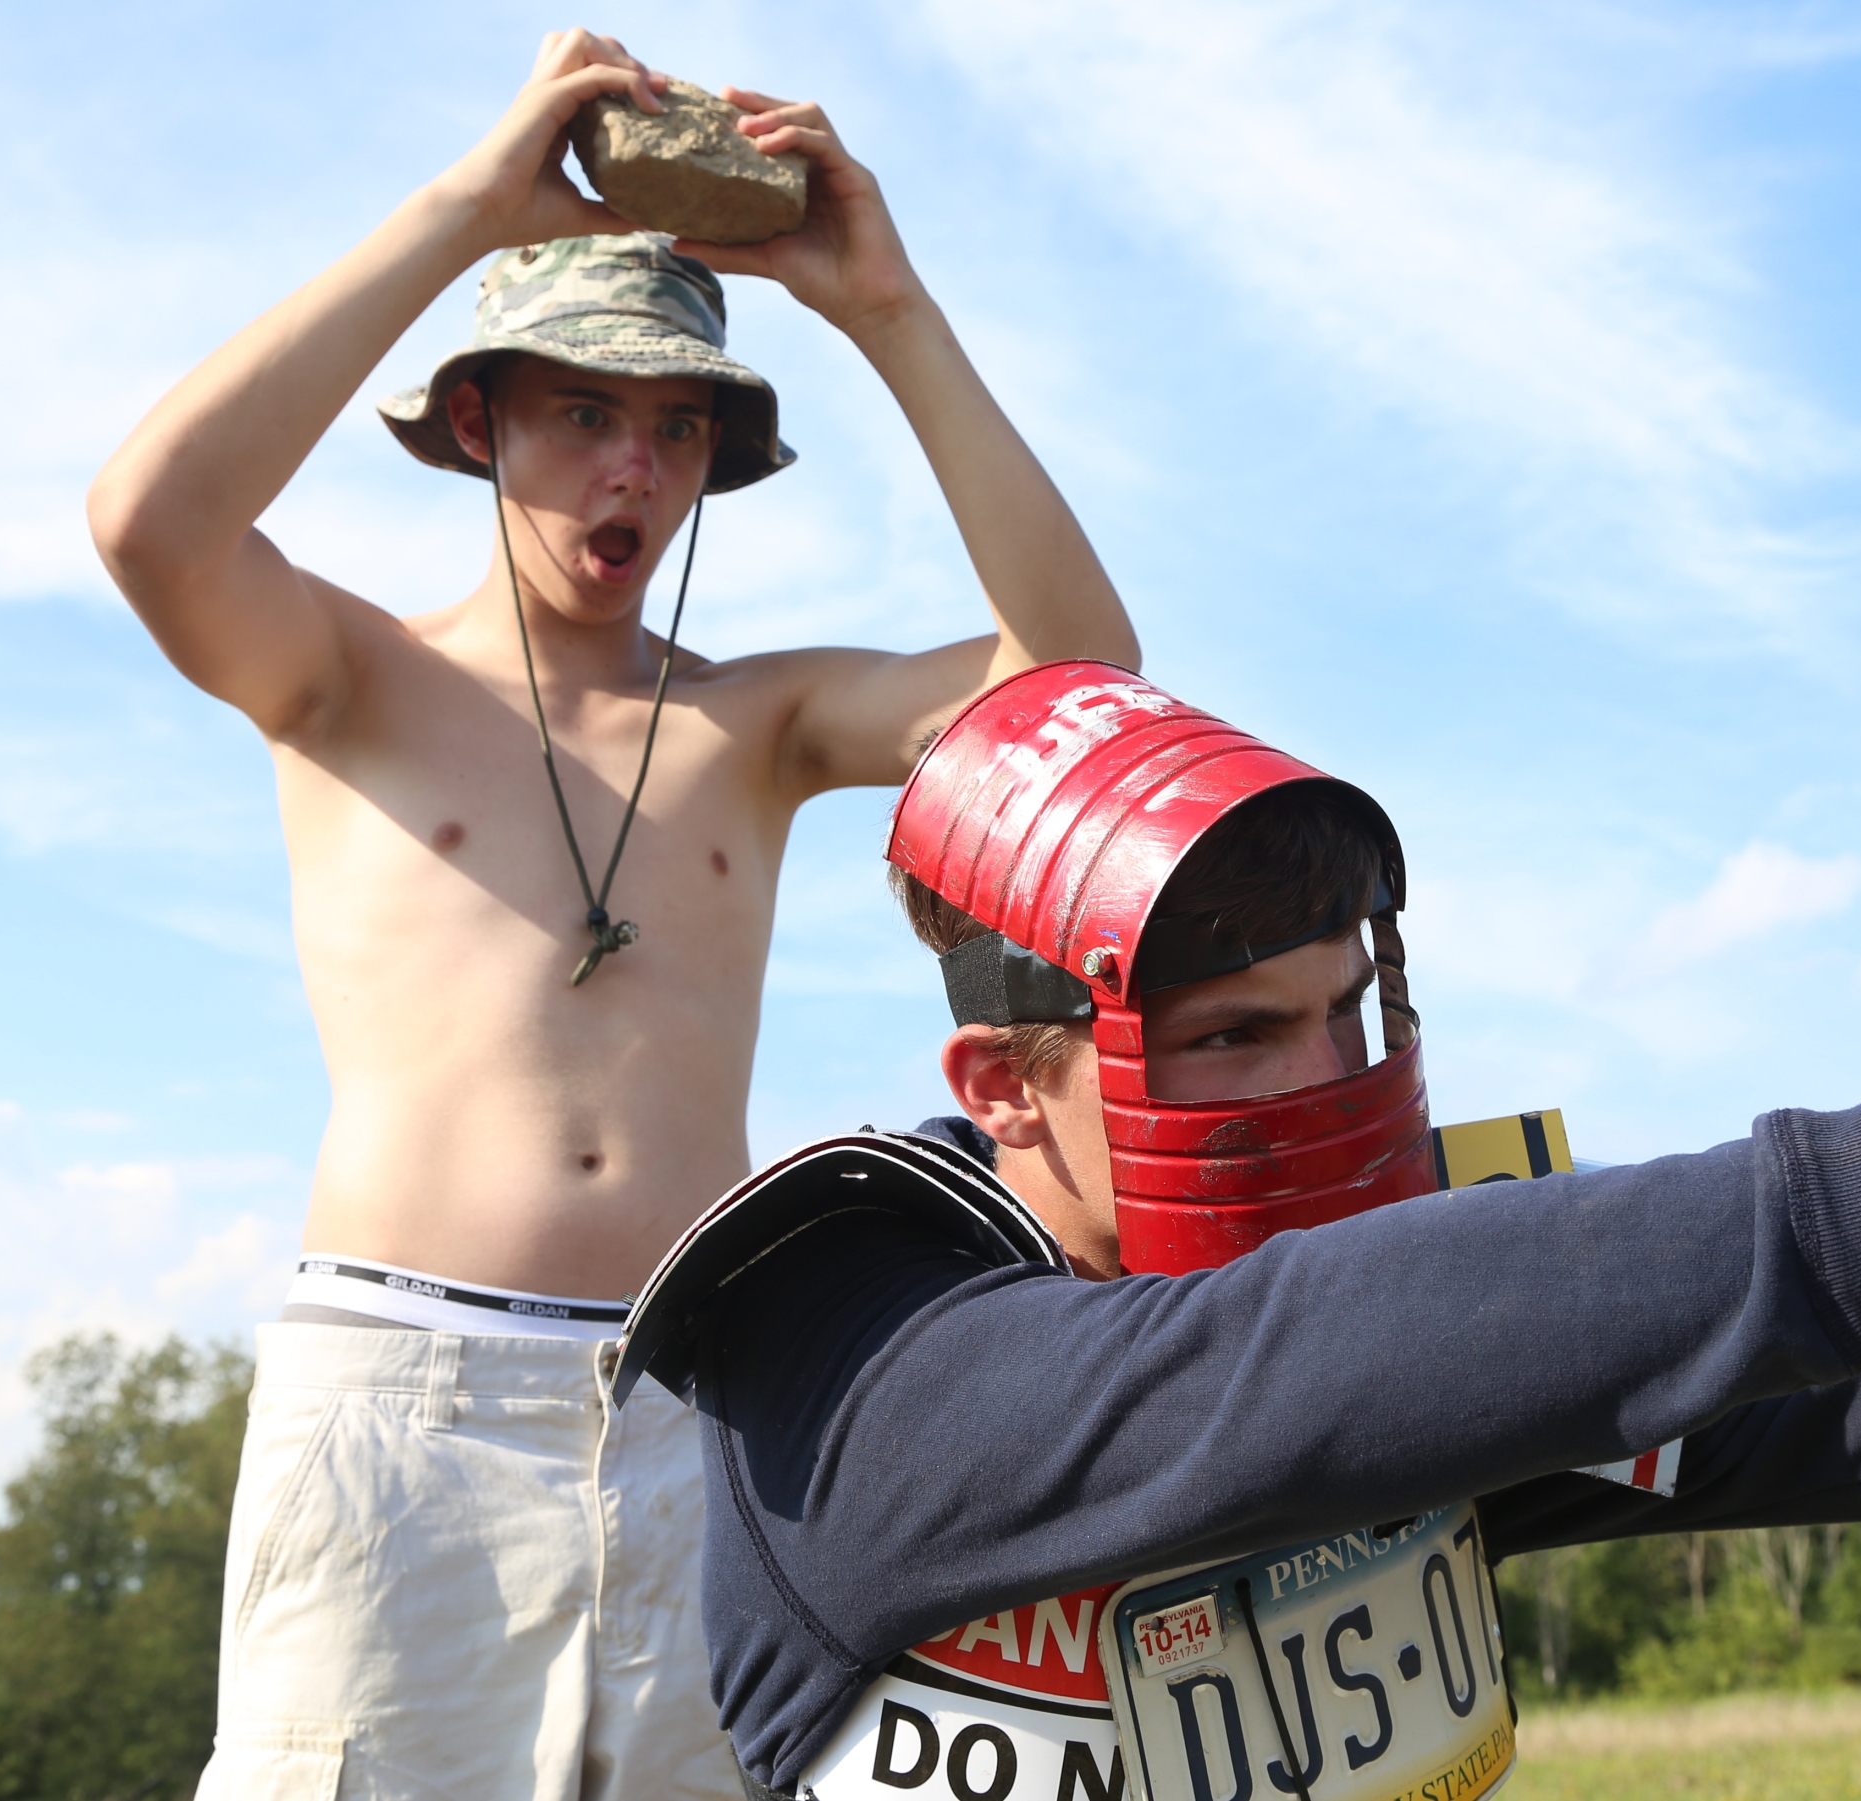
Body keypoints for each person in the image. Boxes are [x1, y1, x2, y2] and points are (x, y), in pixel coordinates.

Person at [615, 663, 1861, 1801]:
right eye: (1228, 1041)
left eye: (1343, 1012)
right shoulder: (853, 1344)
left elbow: (1831, 1416)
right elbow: (1257, 1379)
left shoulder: (1420, 1329)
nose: (1315, 1081)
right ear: (1010, 1083)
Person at [84, 30, 1138, 1800]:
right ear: (482, 419)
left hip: (700, 1411)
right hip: (404, 1404)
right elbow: (148, 517)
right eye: (584, 412)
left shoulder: (752, 725)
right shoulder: (344, 678)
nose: (631, 472)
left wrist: (889, 310)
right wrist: (462, 212)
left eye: (674, 429)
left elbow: (1082, 677)